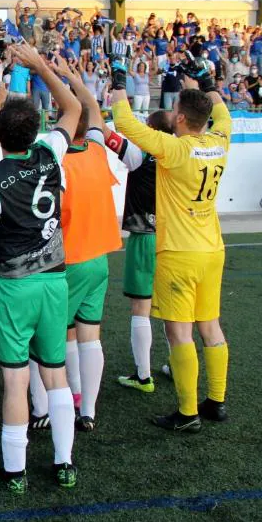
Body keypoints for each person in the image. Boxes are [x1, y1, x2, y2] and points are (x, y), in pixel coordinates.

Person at [0, 43, 82, 493]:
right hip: (54, 280)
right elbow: (72, 106)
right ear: (36, 129)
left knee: (15, 381)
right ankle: (64, 464)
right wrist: (40, 67)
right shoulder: (51, 152)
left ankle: (15, 473)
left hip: (13, 283)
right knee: (54, 374)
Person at [111, 53, 233, 432]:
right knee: (210, 325)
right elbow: (222, 110)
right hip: (212, 248)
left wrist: (118, 83)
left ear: (180, 117)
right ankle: (216, 401)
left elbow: (124, 122)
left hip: (179, 253)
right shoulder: (220, 139)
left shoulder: (175, 148)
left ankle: (187, 413)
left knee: (178, 332)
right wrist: (206, 81)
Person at [29, 61, 122, 433]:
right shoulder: (97, 150)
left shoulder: (55, 160)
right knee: (89, 334)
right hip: (100, 260)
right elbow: (93, 110)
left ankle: (44, 406)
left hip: (68, 261)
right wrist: (75, 80)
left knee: (49, 337)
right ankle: (88, 409)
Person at [96, 110, 174, 393]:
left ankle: (143, 376)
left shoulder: (141, 154)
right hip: (172, 239)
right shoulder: (179, 152)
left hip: (145, 236)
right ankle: (178, 365)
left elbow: (109, 137)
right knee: (171, 309)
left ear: (150, 128)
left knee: (141, 308)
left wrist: (91, 109)